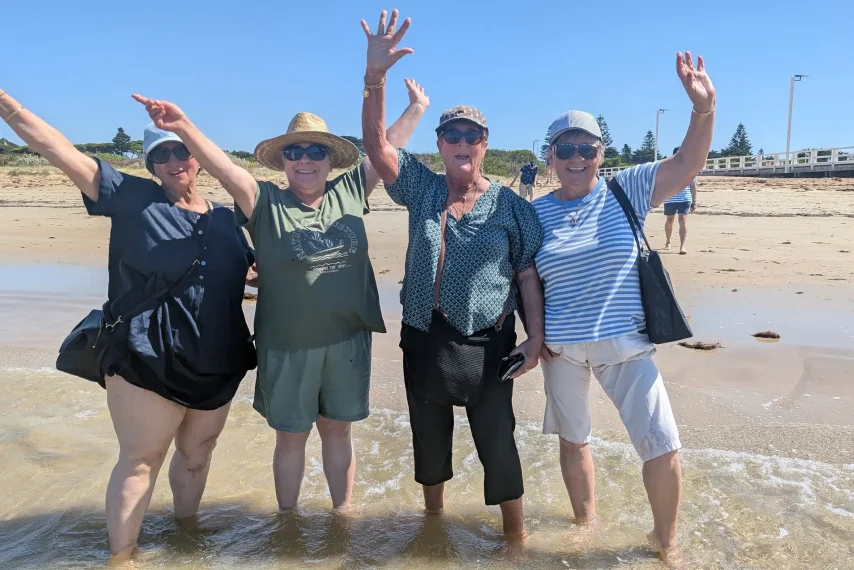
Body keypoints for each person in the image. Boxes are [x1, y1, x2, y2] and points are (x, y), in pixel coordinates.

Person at [132, 55, 429, 513]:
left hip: (348, 342)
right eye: (295, 152)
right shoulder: (264, 200)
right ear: (283, 161)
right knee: (291, 439)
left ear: (330, 160)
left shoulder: (351, 190)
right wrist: (183, 126)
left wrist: (417, 108)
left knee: (338, 433)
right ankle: (287, 525)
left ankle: (342, 517)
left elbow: (385, 146)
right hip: (287, 346)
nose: (305, 159)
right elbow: (225, 169)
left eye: (316, 152)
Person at [0, 88, 257, 560]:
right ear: (150, 165)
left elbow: (251, 272)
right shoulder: (131, 197)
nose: (174, 161)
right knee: (141, 460)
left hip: (218, 358)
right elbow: (55, 149)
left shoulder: (227, 219)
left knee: (197, 456)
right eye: (161, 155)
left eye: (182, 150)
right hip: (145, 356)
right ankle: (121, 558)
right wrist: (8, 106)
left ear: (199, 156)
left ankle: (186, 536)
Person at [360, 10, 545, 538]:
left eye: (472, 134)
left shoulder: (512, 207)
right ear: (440, 144)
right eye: (452, 134)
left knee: (498, 444)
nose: (462, 141)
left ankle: (515, 540)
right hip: (424, 336)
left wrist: (535, 340)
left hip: (490, 345)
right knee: (429, 441)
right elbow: (377, 148)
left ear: (484, 143)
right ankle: (433, 528)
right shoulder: (420, 187)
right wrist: (375, 79)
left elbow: (527, 277)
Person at [532, 52, 715, 560]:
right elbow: (525, 282)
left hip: (626, 345)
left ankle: (666, 543)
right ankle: (585, 524)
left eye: (586, 148)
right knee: (574, 440)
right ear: (550, 157)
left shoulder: (627, 188)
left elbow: (688, 163)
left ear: (600, 153)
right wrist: (534, 335)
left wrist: (703, 110)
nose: (576, 157)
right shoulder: (533, 213)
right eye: (565, 148)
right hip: (561, 350)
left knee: (662, 442)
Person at [663, 147, 698, 254]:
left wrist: (694, 202)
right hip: (670, 199)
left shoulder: (690, 169)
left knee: (683, 220)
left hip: (685, 198)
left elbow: (693, 187)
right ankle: (668, 241)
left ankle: (682, 246)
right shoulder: (667, 169)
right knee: (670, 220)